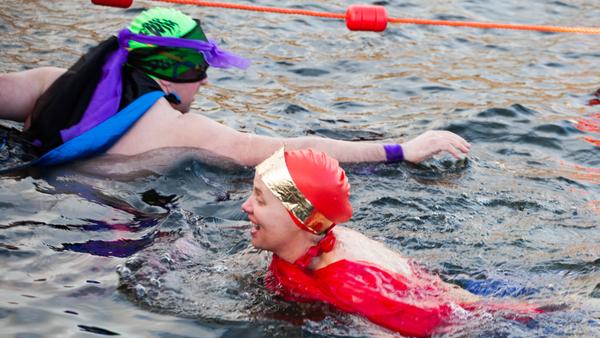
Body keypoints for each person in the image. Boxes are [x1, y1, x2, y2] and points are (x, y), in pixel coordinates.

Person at [0, 7, 470, 170]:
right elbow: (293, 149)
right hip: (105, 224)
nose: (205, 81)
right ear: (170, 73)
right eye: (199, 70)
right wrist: (399, 150)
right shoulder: (178, 129)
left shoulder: (48, 83)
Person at [241, 148, 542, 338]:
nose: (246, 206)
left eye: (259, 199)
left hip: (481, 323)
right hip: (458, 290)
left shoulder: (348, 284)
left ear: (301, 220)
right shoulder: (321, 238)